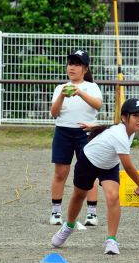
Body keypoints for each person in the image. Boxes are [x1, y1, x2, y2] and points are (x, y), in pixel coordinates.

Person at [51, 98, 139, 255]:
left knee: (113, 196)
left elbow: (110, 128)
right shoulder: (121, 134)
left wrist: (95, 127)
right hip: (88, 161)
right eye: (136, 115)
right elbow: (129, 167)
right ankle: (69, 226)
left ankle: (111, 240)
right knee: (79, 195)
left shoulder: (127, 131)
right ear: (125, 117)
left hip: (109, 166)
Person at [49, 49, 103, 226]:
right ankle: (56, 212)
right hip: (63, 132)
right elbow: (54, 113)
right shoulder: (60, 88)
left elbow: (98, 105)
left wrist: (79, 92)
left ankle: (92, 213)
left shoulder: (91, 87)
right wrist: (63, 96)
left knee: (89, 173)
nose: (72, 67)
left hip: (86, 133)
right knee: (60, 173)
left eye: (77, 64)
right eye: (70, 64)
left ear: (85, 69)